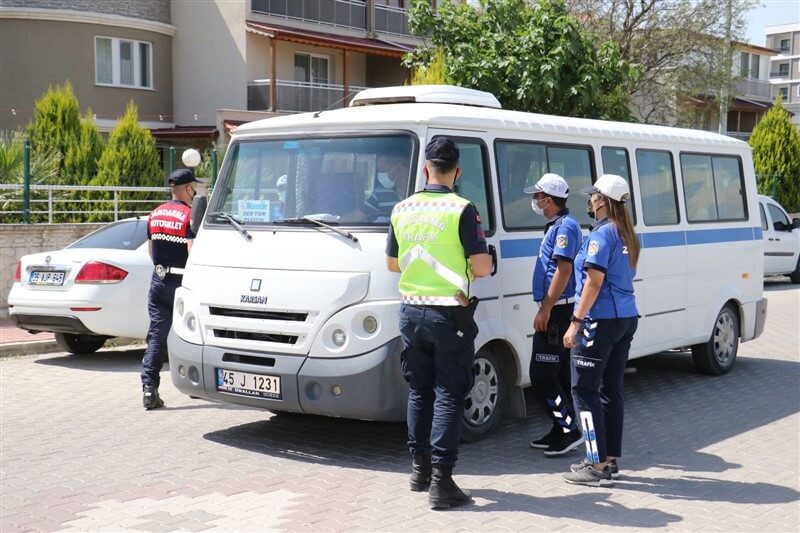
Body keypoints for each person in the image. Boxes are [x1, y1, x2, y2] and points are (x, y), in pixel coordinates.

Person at [386, 137, 492, 510]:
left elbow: (392, 264)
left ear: (425, 168)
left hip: (411, 311)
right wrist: (485, 262)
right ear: (457, 172)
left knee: (420, 391)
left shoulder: (402, 208)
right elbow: (480, 267)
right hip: (450, 313)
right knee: (449, 391)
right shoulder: (463, 209)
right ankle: (442, 483)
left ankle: (420, 471)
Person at [561, 174, 640, 486]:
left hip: (598, 321)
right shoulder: (629, 234)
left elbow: (594, 282)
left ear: (603, 200)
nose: (589, 199)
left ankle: (596, 464)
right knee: (610, 390)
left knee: (583, 390)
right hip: (625, 318)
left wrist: (575, 323)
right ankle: (609, 458)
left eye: (593, 195)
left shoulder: (600, 236)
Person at [525, 173, 584, 456]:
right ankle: (561, 428)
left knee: (542, 373)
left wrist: (546, 309)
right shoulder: (556, 226)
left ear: (549, 199)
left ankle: (569, 429)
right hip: (555, 309)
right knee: (557, 374)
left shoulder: (565, 228)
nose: (535, 201)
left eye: (537, 196)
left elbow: (563, 270)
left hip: (558, 312)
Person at [141, 168, 199, 410]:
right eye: (194, 188)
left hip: (158, 281)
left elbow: (150, 250)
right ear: (187, 189)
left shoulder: (154, 214)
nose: (195, 192)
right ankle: (198, 384)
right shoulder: (189, 215)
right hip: (181, 283)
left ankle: (148, 390)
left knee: (156, 336)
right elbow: (192, 252)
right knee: (194, 334)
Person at [362, 149, 410, 222]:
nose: (380, 175)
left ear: (398, 169)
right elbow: (360, 215)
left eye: (383, 170)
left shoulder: (419, 188)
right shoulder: (379, 192)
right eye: (379, 171)